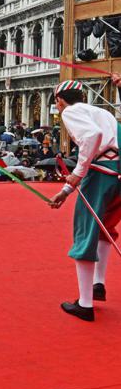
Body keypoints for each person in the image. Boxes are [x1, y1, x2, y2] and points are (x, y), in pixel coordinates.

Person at [48, 80, 120, 322]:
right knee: (104, 229)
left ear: (60, 100)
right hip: (117, 174)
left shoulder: (70, 111)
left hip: (100, 174)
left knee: (85, 233)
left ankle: (85, 303)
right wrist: (69, 187)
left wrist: (76, 177)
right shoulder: (103, 112)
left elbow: (92, 136)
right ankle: (98, 284)